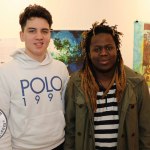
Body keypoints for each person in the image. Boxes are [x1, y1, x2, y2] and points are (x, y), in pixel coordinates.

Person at [64, 19, 150, 150]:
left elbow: (146, 131)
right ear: (88, 53)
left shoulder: (137, 83)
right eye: (97, 49)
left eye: (109, 48)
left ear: (117, 50)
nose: (103, 53)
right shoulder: (76, 83)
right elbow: (70, 129)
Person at [0, 4, 69, 150]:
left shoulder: (60, 68)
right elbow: (2, 120)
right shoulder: (5, 72)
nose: (39, 36)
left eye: (44, 31)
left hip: (60, 145)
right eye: (32, 31)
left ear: (50, 34)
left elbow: (66, 110)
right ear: (22, 35)